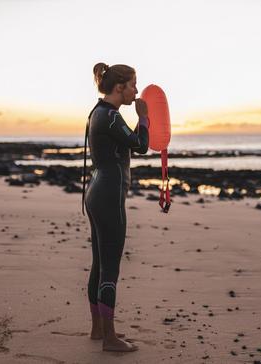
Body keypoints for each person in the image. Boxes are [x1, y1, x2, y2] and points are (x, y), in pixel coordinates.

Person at [82, 62, 149, 352]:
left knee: (99, 263)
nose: (136, 89)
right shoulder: (111, 117)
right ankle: (110, 338)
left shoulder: (97, 112)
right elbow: (140, 144)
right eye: (133, 84)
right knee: (110, 267)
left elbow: (125, 143)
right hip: (109, 196)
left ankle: (98, 329)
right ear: (119, 87)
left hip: (96, 193)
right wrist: (144, 117)